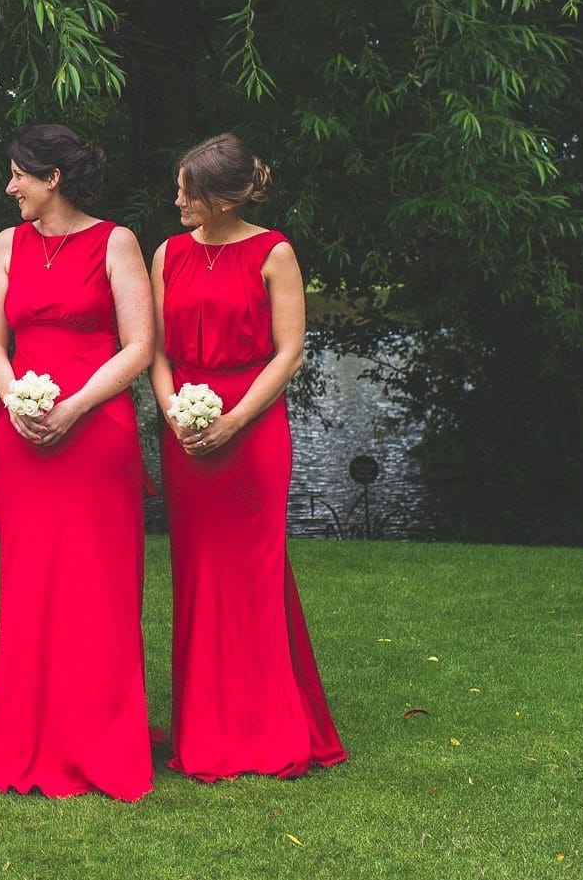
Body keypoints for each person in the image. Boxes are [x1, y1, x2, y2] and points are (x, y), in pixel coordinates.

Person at [0, 124, 155, 801]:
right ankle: (27, 735)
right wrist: (14, 395)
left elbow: (138, 345)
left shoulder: (116, 241)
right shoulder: (7, 244)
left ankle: (100, 740)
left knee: (96, 585)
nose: (10, 185)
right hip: (21, 429)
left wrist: (73, 406)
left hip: (95, 427)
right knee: (29, 585)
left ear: (53, 178)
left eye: (20, 174)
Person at [150, 132, 346, 781]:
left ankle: (268, 728)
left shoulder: (274, 251)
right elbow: (154, 349)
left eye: (188, 190)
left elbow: (288, 352)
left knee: (256, 570)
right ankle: (202, 726)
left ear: (222, 197)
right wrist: (173, 409)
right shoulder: (168, 253)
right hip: (186, 424)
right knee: (198, 572)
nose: (177, 199)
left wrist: (234, 418)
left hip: (253, 426)